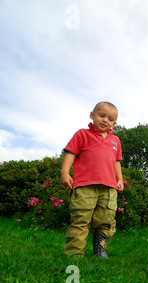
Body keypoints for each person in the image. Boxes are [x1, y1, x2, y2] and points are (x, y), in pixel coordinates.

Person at [60, 101, 124, 258]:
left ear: (114, 123)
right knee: (81, 220)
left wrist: (120, 179)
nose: (105, 120)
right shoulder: (82, 134)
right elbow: (71, 153)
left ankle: (100, 252)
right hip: (84, 186)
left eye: (110, 119)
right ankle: (74, 254)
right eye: (101, 115)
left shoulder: (115, 140)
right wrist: (65, 173)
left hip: (109, 188)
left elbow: (116, 162)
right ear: (92, 115)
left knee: (106, 220)